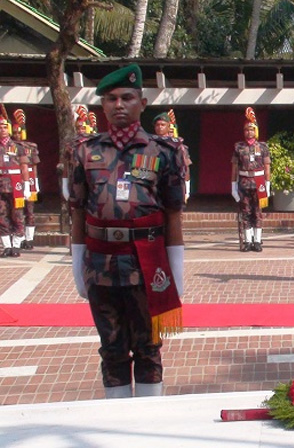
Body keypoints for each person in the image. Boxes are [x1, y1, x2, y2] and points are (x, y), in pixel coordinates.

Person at [69, 64, 186, 398]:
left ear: (142, 103)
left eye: (127, 97)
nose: (118, 104)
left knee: (148, 347)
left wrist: (177, 270)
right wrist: (77, 265)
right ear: (102, 105)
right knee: (112, 348)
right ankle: (116, 421)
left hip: (147, 265)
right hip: (100, 264)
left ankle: (147, 425)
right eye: (111, 98)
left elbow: (173, 215)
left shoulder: (164, 152)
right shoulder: (83, 151)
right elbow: (77, 211)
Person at [231, 107, 270, 252]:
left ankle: (257, 240)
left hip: (259, 182)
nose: (249, 132)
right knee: (245, 211)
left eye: (252, 129)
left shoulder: (263, 146)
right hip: (244, 182)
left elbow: (267, 167)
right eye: (247, 130)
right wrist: (233, 186)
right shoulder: (238, 147)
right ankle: (248, 240)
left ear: (256, 131)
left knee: (257, 212)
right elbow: (234, 167)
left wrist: (268, 185)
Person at [0, 105, 31, 257]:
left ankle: (17, 245)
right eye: (0, 127)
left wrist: (27, 186)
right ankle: (7, 246)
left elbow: (24, 167)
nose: (2, 129)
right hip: (1, 186)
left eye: (5, 127)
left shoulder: (18, 147)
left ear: (9, 129)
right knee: (2, 216)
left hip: (16, 186)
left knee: (17, 215)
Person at [11, 109, 39, 250]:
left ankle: (29, 238)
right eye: (14, 132)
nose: (16, 135)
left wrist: (35, 184)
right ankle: (19, 236)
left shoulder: (31, 147)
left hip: (29, 180)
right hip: (14, 180)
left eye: (18, 132)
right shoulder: (9, 146)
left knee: (29, 210)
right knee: (17, 210)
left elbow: (33, 166)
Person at [153, 110, 192, 203]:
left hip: (173, 187)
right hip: (154, 187)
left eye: (163, 125)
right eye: (157, 125)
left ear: (168, 127)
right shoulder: (149, 145)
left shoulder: (179, 147)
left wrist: (187, 189)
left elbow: (185, 168)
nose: (160, 127)